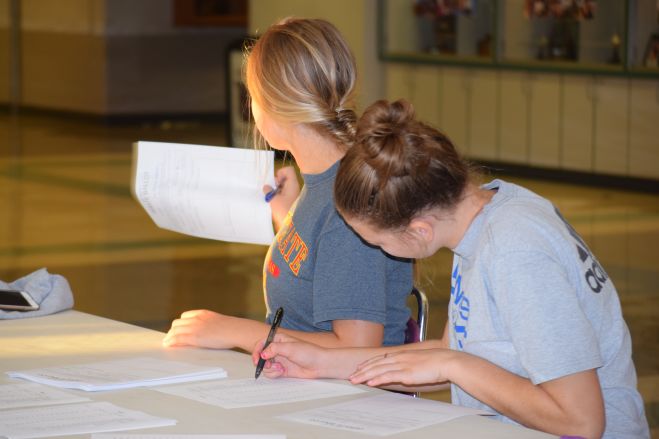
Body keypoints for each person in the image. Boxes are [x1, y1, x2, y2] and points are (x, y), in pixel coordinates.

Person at [255, 100, 650, 439]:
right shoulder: (479, 217)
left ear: (418, 230)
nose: (375, 250)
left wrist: (453, 365)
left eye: (375, 241)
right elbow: (454, 350)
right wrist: (319, 362)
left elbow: (582, 422)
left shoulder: (515, 252)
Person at [162, 19, 413, 352]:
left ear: (275, 107)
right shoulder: (326, 179)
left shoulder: (348, 207)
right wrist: (288, 216)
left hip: (352, 397)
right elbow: (320, 265)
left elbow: (357, 348)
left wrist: (235, 331)